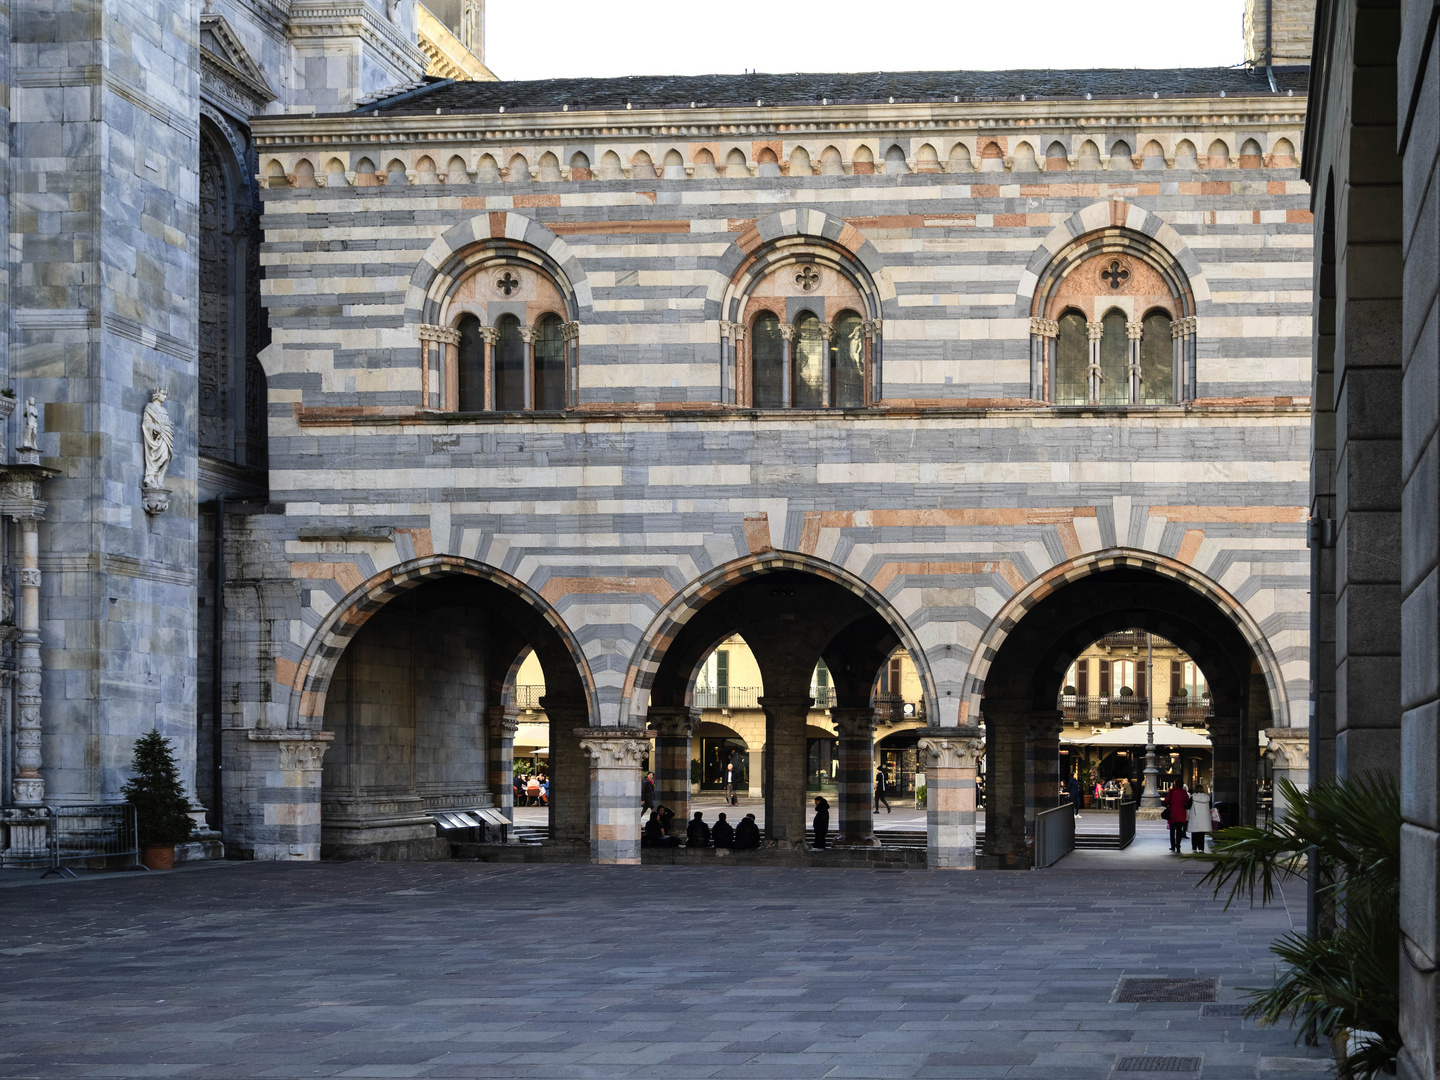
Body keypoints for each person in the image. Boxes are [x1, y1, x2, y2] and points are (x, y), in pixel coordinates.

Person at [1163, 782, 1192, 852]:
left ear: (1175, 784)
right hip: (1181, 813)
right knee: (1179, 830)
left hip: (1172, 812)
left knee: (1172, 830)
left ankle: (1173, 846)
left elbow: (1166, 801)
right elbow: (1187, 802)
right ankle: (1178, 846)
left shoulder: (1172, 791)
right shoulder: (1184, 792)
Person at [1187, 783, 1213, 852]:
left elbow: (1188, 806)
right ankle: (1201, 848)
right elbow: (1210, 807)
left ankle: (1194, 848)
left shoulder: (1193, 797)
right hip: (1204, 818)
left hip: (1195, 818)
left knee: (1194, 833)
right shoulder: (1207, 797)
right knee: (1201, 834)